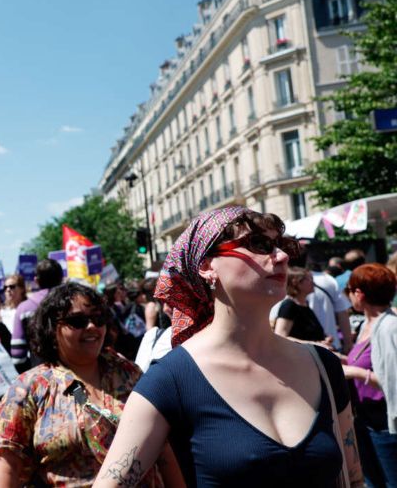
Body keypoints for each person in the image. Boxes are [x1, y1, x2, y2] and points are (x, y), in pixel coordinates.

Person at [93, 207, 363, 487]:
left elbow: (354, 479)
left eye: (282, 246)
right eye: (260, 245)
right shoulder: (171, 380)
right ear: (208, 266)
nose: (282, 256)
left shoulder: (323, 366)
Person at [0, 283, 180, 487]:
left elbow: (163, 450)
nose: (92, 327)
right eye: (78, 321)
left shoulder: (129, 374)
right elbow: (7, 467)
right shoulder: (29, 389)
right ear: (52, 328)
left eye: (98, 319)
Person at [340, 263, 397, 487]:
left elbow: (392, 380)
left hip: (384, 424)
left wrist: (354, 372)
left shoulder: (389, 327)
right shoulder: (368, 323)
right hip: (366, 421)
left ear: (359, 293)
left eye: (350, 291)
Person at [11, 260, 64, 372]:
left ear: (36, 280)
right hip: (77, 376)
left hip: (42, 377)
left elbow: (18, 355)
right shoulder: (74, 303)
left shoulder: (24, 308)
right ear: (61, 278)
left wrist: (32, 374)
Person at [272, 267, 329, 343]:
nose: (313, 282)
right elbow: (281, 335)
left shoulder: (305, 304)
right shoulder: (289, 306)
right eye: (308, 279)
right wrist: (315, 344)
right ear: (296, 283)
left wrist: (324, 341)